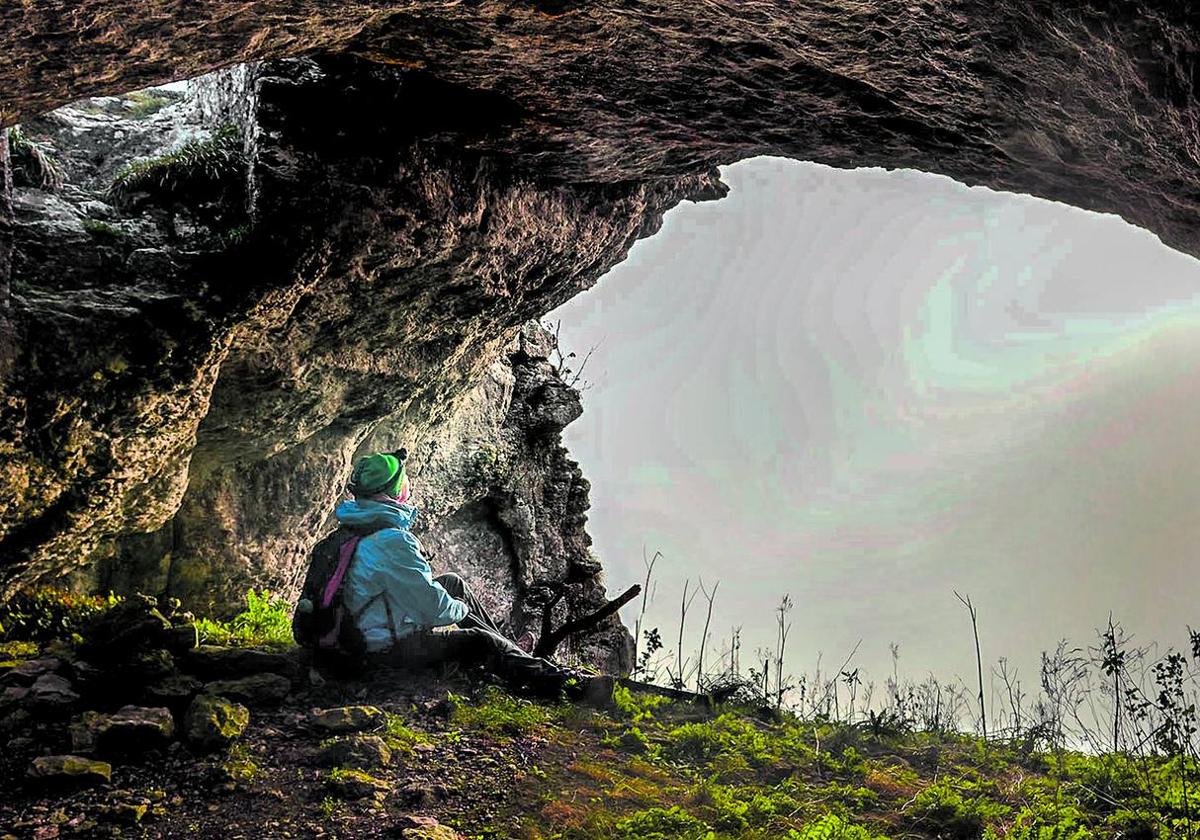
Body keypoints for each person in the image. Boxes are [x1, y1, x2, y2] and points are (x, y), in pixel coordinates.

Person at [333, 450, 614, 704]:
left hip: (358, 632)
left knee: (452, 583)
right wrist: (461, 609)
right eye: (403, 482)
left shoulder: (355, 528)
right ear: (395, 492)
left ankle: (512, 651)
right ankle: (569, 687)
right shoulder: (392, 542)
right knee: (481, 641)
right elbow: (436, 611)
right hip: (384, 651)